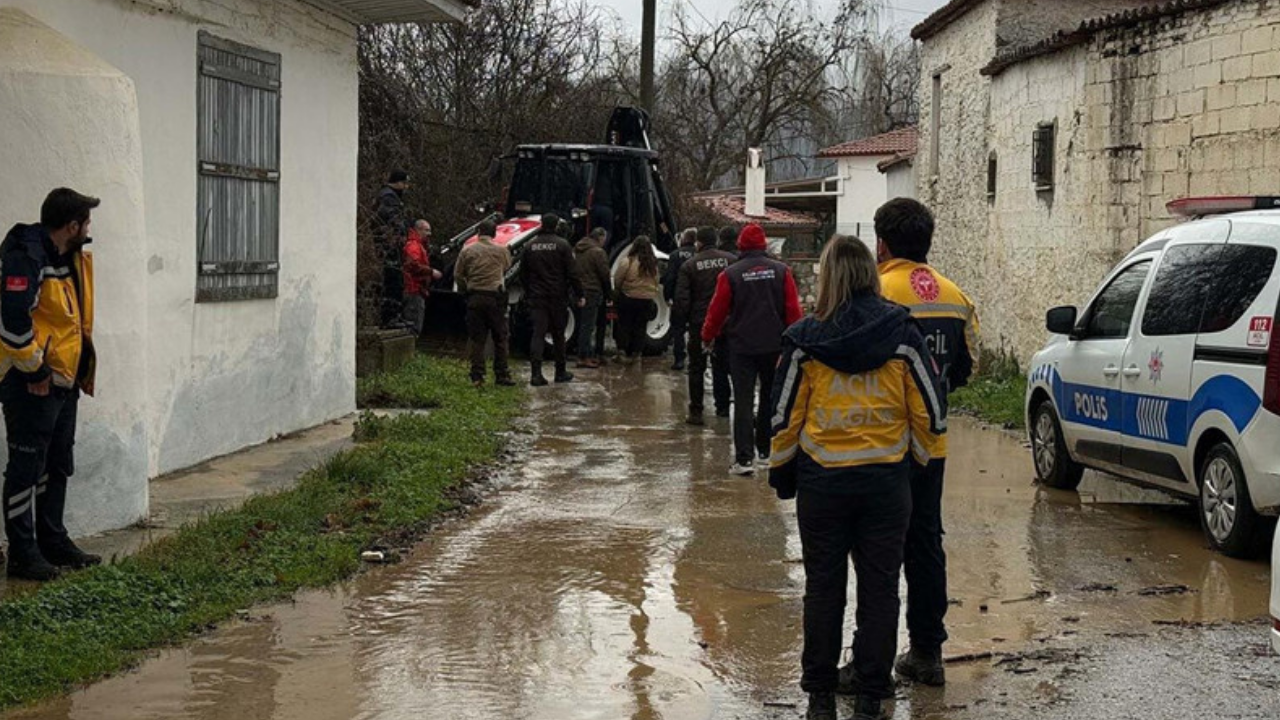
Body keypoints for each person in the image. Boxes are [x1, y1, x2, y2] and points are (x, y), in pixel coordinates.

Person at [768, 235, 946, 720]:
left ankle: (820, 698)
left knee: (823, 588)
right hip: (886, 485)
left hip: (823, 485)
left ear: (826, 276)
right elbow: (932, 412)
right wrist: (917, 461)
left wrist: (781, 471)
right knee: (881, 588)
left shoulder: (804, 339)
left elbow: (784, 417)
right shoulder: (904, 334)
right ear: (871, 272)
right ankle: (872, 697)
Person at [842, 197, 978, 690]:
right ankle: (927, 652)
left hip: (881, 445)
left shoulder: (873, 291)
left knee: (876, 554)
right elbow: (965, 369)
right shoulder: (955, 296)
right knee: (926, 544)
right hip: (933, 445)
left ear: (881, 243)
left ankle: (868, 660)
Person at [1, 188, 105, 581]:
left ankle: (53, 541)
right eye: (86, 222)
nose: (89, 229)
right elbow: (12, 322)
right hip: (31, 383)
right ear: (72, 225)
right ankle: (23, 554)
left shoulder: (67, 256)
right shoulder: (26, 256)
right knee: (26, 467)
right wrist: (36, 371)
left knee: (57, 463)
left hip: (64, 380)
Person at [702, 224, 803, 475]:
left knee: (744, 400)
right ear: (764, 245)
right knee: (771, 397)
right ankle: (767, 453)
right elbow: (793, 309)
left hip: (742, 347)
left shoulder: (731, 274)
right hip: (774, 345)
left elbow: (717, 310)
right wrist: (796, 341)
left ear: (741, 245)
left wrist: (707, 336)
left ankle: (744, 460)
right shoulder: (782, 271)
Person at [675, 227, 735, 425]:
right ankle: (723, 408)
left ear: (698, 243)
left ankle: (696, 411)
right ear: (716, 240)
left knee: (696, 368)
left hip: (699, 323)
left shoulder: (689, 265)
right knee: (722, 366)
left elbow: (682, 299)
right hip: (726, 324)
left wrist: (682, 324)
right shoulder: (731, 261)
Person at [520, 212, 583, 386]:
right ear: (556, 226)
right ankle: (560, 372)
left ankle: (536, 374)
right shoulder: (563, 245)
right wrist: (579, 294)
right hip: (557, 297)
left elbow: (522, 273)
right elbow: (573, 273)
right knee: (558, 335)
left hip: (537, 297)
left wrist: (530, 290)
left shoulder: (530, 246)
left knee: (538, 334)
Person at [455, 220, 515, 388]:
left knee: (477, 339)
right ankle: (502, 374)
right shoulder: (502, 251)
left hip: (475, 297)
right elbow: (507, 267)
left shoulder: (468, 251)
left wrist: (464, 289)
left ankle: (477, 376)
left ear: (478, 233)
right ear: (494, 233)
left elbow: (458, 275)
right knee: (501, 338)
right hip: (495, 298)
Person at [612, 235, 661, 362]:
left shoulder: (628, 261)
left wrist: (618, 291)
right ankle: (637, 354)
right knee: (640, 327)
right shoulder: (653, 263)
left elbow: (618, 279)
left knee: (624, 325)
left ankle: (622, 352)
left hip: (629, 297)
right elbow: (657, 280)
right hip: (646, 299)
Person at [375, 170, 411, 328]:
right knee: (393, 280)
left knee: (395, 279)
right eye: (404, 183)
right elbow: (393, 221)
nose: (406, 187)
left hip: (389, 244)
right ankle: (390, 318)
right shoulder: (389, 198)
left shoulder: (387, 196)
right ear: (398, 182)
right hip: (389, 245)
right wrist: (400, 234)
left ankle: (394, 316)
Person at [574, 228, 611, 369]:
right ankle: (584, 356)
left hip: (578, 290)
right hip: (592, 290)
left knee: (581, 323)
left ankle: (583, 353)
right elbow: (604, 275)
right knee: (588, 325)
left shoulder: (578, 249)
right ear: (600, 238)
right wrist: (609, 294)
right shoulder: (598, 253)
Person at [663, 228, 698, 371]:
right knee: (696, 331)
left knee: (678, 330)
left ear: (684, 239)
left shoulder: (675, 255)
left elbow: (670, 278)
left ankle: (679, 359)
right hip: (697, 299)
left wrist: (667, 296)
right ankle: (695, 360)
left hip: (680, 298)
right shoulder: (700, 255)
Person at [402, 219, 442, 335]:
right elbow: (412, 265)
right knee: (414, 324)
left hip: (417, 288)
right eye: (427, 230)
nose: (429, 234)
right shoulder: (414, 246)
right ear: (418, 229)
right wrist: (431, 272)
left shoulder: (418, 245)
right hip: (414, 289)